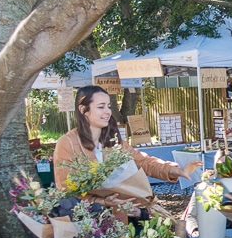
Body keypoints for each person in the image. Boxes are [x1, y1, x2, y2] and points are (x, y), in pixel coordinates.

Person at [53, 86, 197, 213]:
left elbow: (143, 162)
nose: (108, 112)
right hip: (87, 219)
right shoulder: (67, 143)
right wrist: (102, 202)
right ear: (83, 109)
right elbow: (66, 190)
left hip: (121, 213)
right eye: (101, 106)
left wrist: (178, 171)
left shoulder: (113, 141)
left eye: (109, 106)